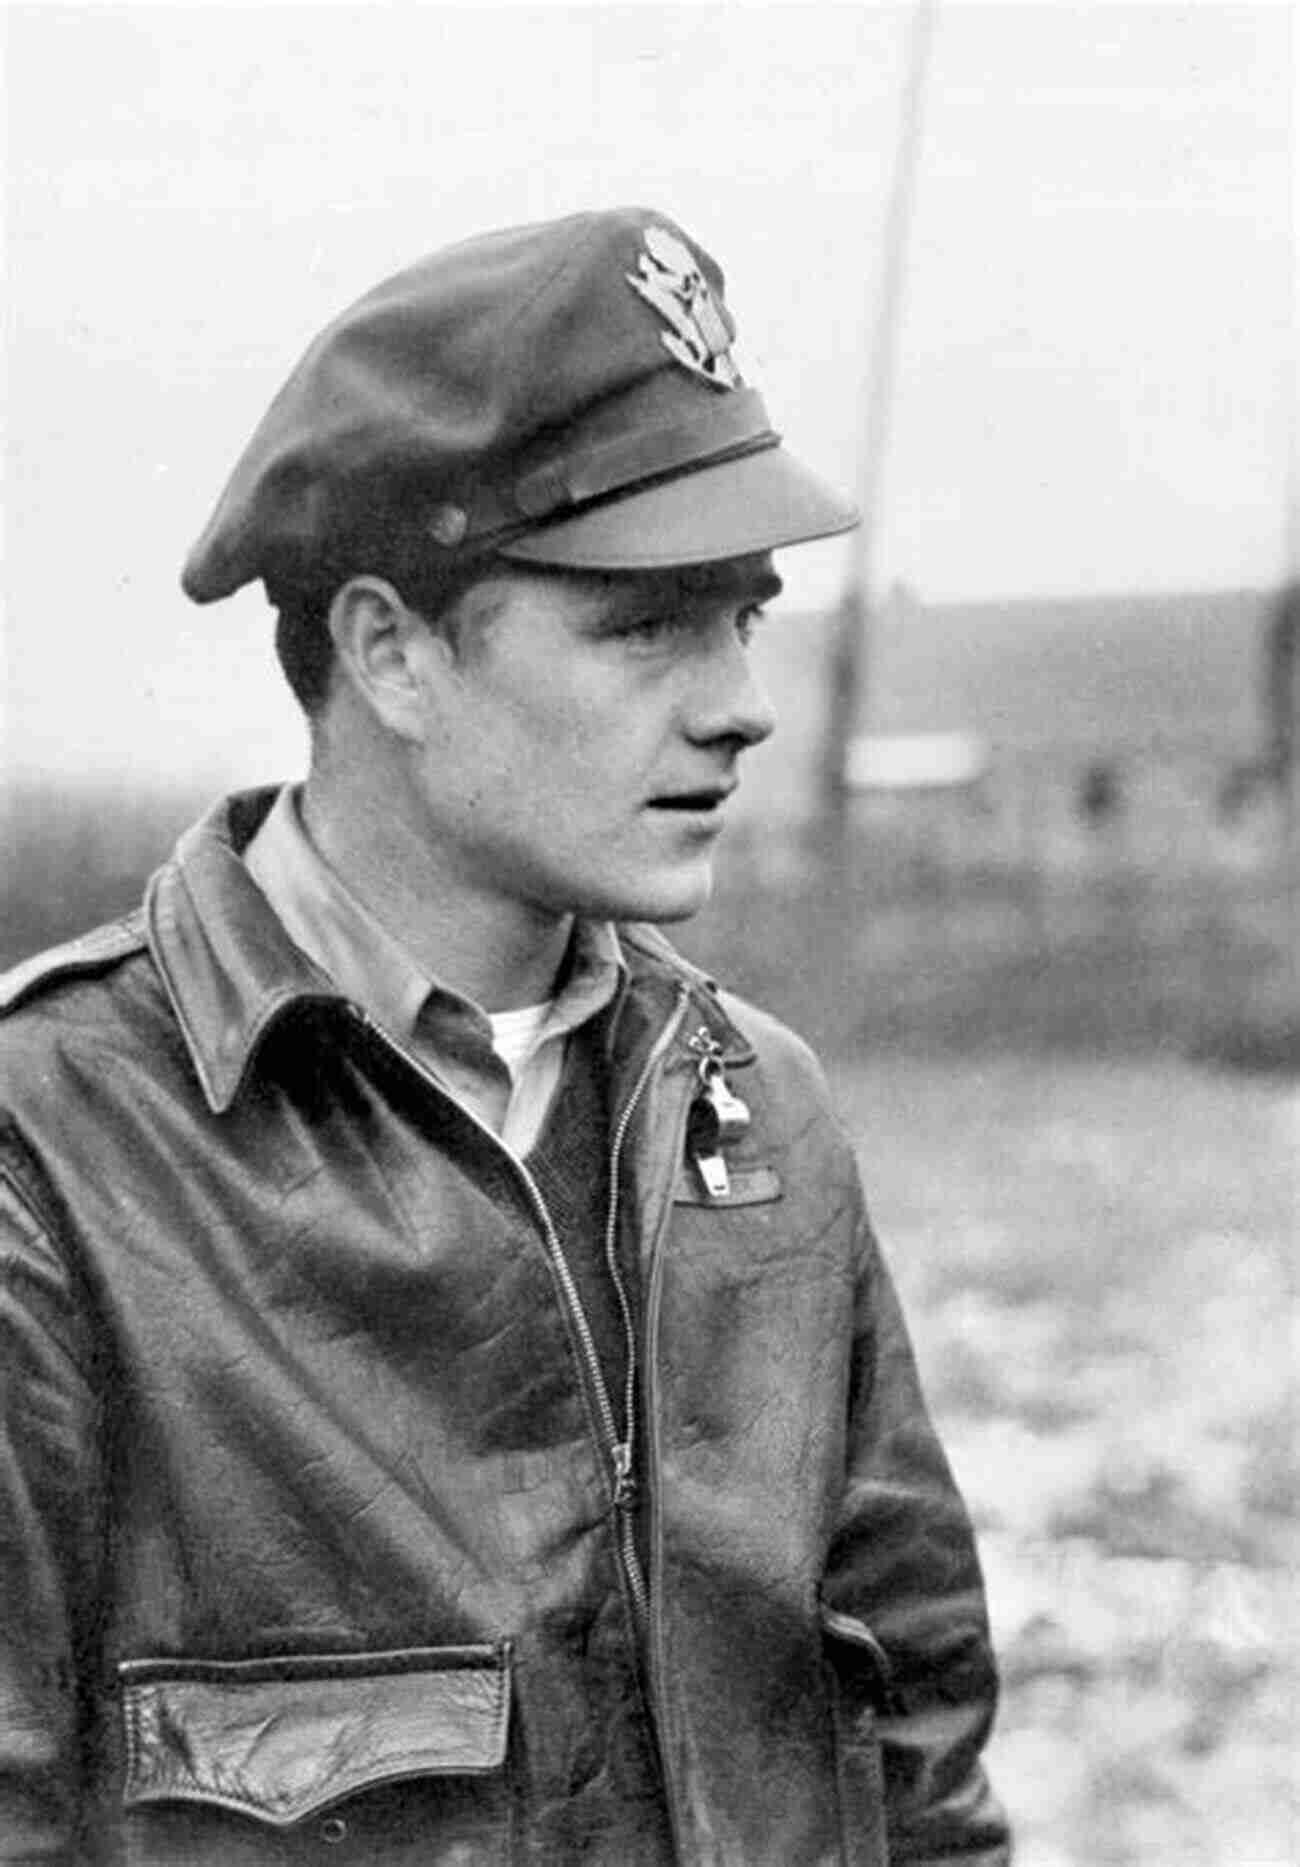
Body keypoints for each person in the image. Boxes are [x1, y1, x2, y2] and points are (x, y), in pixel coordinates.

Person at [0, 207, 1009, 1864]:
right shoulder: (54, 1148)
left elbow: (920, 1749)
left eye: (745, 615)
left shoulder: (755, 1109)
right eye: (645, 626)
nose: (740, 699)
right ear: (392, 652)